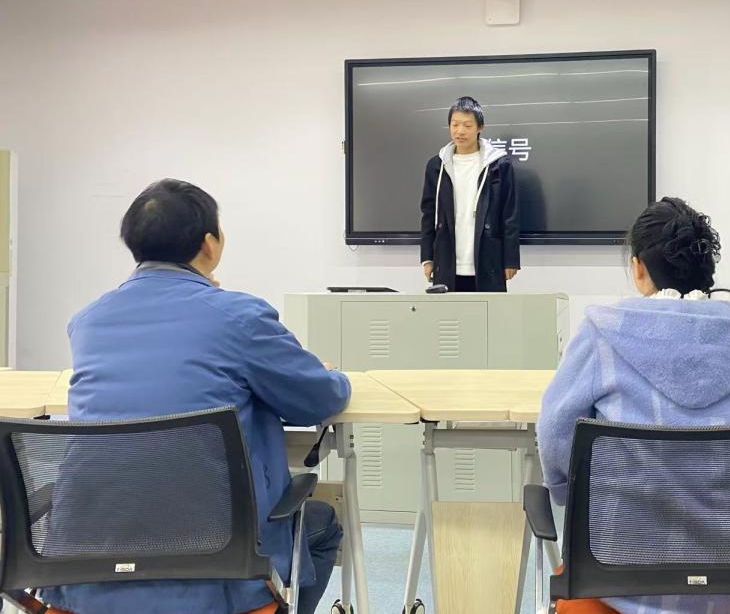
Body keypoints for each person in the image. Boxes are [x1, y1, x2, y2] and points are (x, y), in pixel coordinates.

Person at [42, 179, 351, 614]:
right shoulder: (239, 315)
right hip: (220, 572)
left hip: (86, 571)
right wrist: (333, 376)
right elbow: (318, 400)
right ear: (209, 243)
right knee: (322, 525)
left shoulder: (88, 322)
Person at [537, 197, 730, 614]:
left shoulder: (600, 335)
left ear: (639, 268)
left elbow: (555, 436)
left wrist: (564, 493)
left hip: (614, 574)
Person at [420, 96, 520, 292]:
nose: (460, 131)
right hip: (446, 259)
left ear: (480, 127)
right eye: (455, 124)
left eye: (467, 125)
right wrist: (427, 257)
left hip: (489, 258)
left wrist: (511, 259)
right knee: (448, 311)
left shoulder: (499, 165)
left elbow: (510, 215)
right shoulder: (437, 165)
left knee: (489, 311)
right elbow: (428, 214)